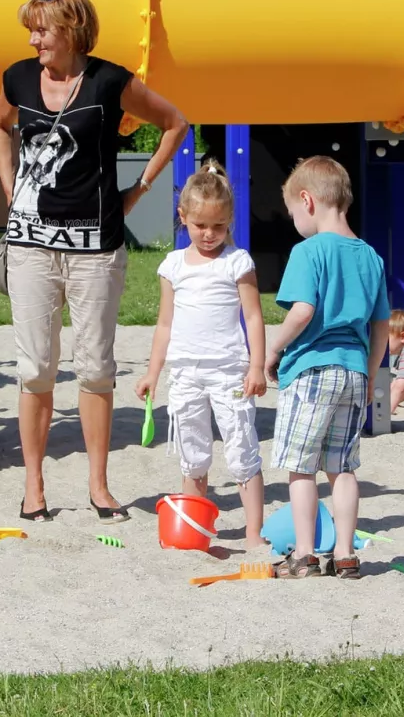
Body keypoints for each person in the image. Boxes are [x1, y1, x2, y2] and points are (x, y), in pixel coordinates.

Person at [0, 0, 187, 523]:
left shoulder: (109, 80)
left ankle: (99, 486)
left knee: (95, 369)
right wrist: (9, 188)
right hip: (30, 247)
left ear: (72, 30)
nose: (33, 40)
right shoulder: (18, 78)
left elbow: (175, 123)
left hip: (96, 249)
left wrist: (139, 189)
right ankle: (34, 486)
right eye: (31, 30)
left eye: (42, 30)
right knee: (35, 369)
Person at [266, 157, 389, 579]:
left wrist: (272, 349)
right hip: (354, 372)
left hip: (312, 371)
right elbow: (381, 327)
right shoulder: (371, 257)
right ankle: (346, 554)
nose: (295, 222)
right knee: (342, 467)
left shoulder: (308, 251)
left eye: (293, 214)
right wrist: (370, 373)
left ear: (307, 201)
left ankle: (304, 554)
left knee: (301, 466)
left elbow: (303, 311)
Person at [135, 164, 268, 548]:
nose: (209, 234)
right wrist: (152, 373)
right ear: (183, 217)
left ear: (230, 221)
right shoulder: (173, 266)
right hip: (185, 372)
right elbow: (164, 324)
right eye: (200, 225)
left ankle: (253, 532)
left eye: (219, 226)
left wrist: (256, 366)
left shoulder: (237, 262)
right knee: (192, 455)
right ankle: (193, 529)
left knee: (242, 449)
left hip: (229, 372)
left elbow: (253, 317)